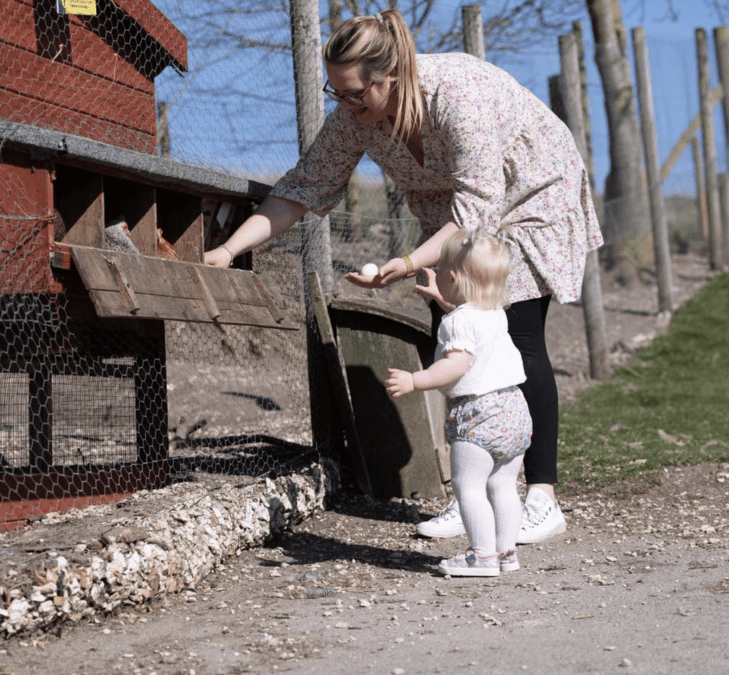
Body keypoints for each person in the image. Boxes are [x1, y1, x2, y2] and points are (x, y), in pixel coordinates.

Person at [203, 10, 602, 545]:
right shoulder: (354, 117)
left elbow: (477, 210)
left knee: (514, 334)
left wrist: (410, 263)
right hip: (453, 211)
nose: (343, 105)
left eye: (353, 93)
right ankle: (475, 493)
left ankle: (541, 498)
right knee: (456, 339)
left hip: (530, 192)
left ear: (390, 75)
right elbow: (303, 187)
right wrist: (227, 250)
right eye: (335, 91)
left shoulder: (459, 95)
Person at [385, 228, 530, 577]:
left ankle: (482, 556)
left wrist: (415, 380)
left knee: (469, 486)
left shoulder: (458, 322)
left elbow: (456, 364)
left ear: (451, 276)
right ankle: (506, 552)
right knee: (503, 485)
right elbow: (470, 321)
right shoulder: (494, 311)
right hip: (514, 409)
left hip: (479, 413)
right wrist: (442, 298)